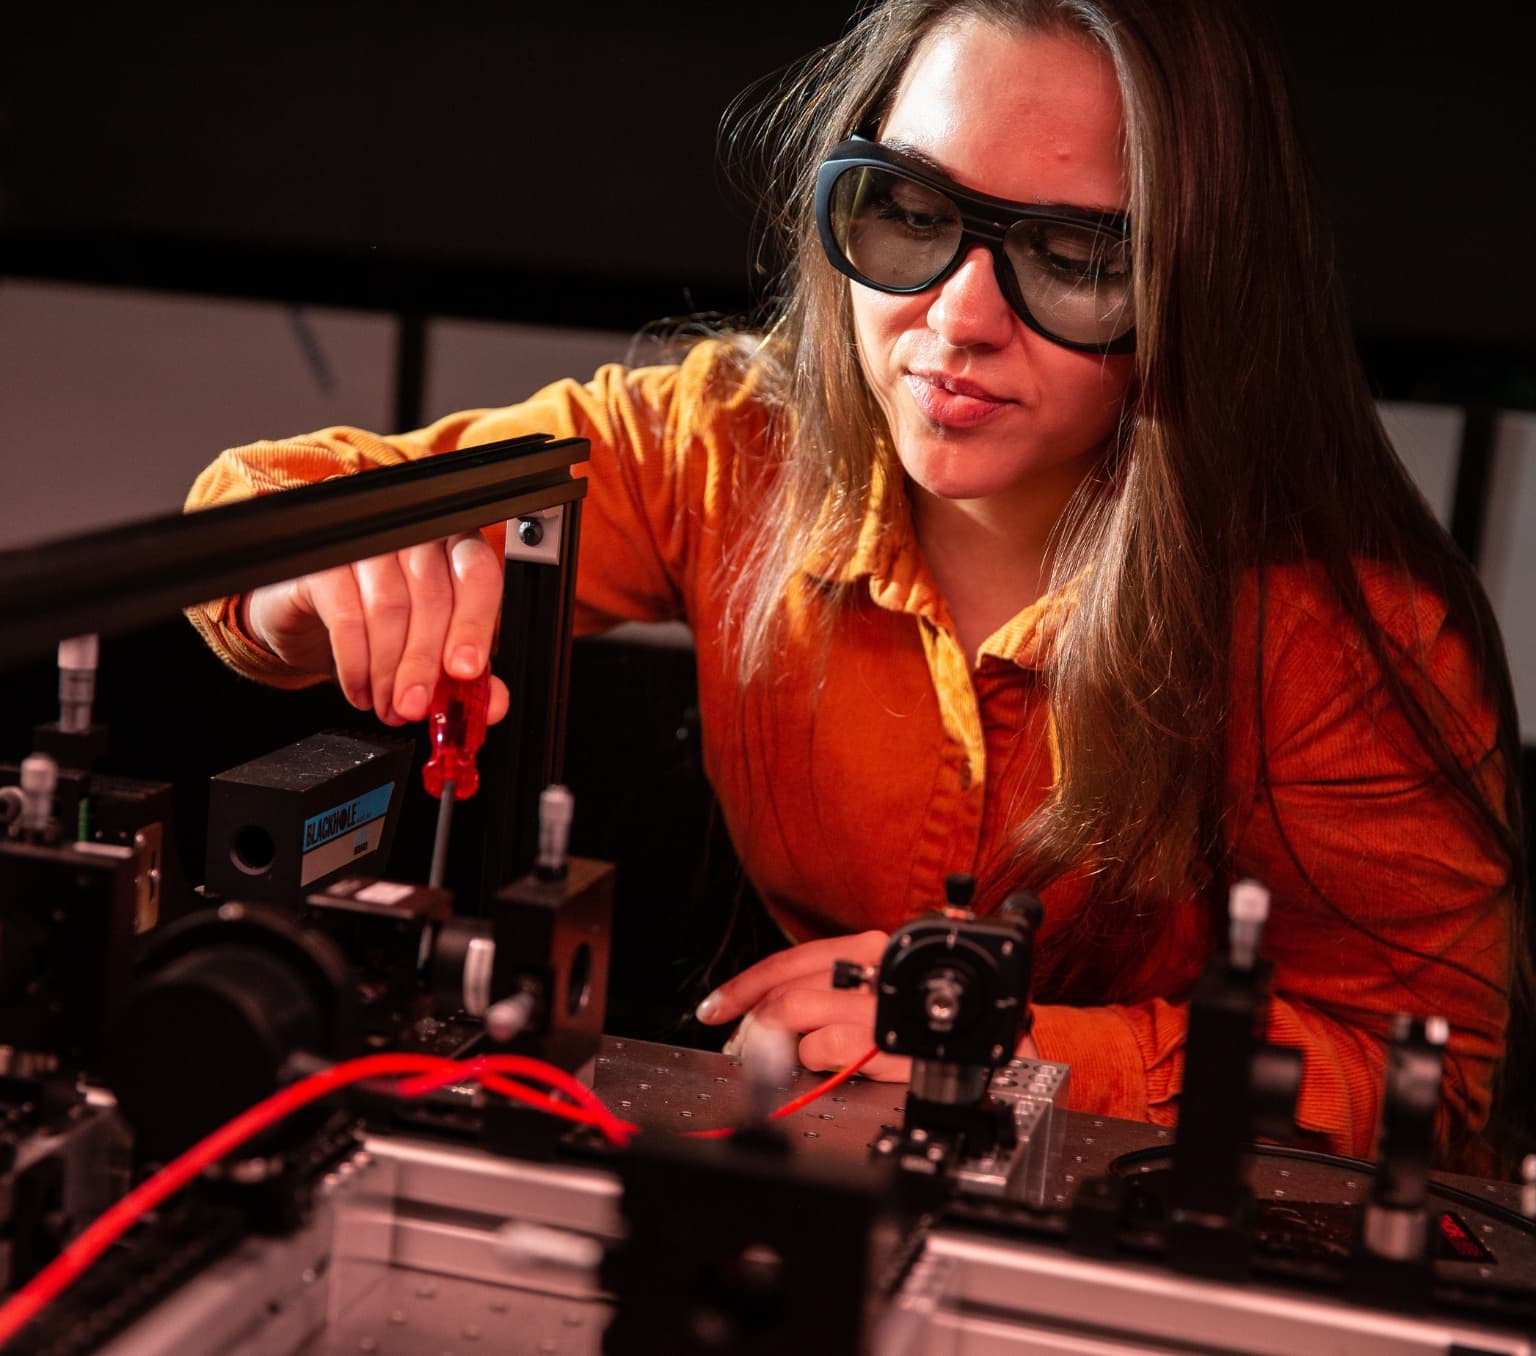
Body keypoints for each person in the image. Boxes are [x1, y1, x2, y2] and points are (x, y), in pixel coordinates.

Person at [185, 0, 1527, 1164]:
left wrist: (1007, 1044)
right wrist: (313, 583)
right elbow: (275, 512)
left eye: (1074, 260)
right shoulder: (726, 445)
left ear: (1201, 284)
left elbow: (1429, 1077)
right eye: (911, 213)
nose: (954, 321)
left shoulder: (1342, 630)